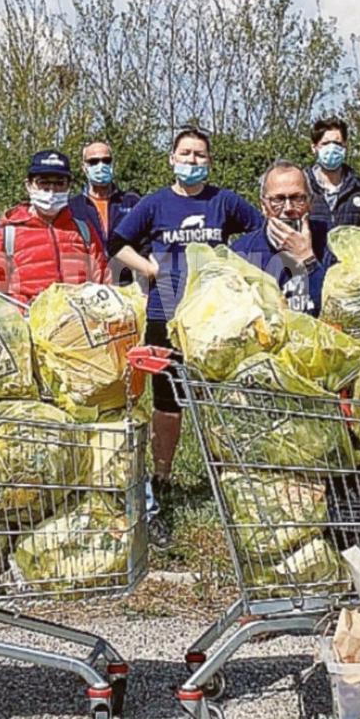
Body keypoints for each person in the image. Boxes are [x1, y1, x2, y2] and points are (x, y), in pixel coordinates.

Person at [108, 125, 265, 548]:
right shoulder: (155, 204)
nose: (192, 161)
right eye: (185, 153)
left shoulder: (224, 201)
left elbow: (259, 233)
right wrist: (148, 269)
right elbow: (116, 242)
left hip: (216, 321)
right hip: (165, 313)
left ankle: (228, 476)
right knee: (167, 401)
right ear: (171, 159)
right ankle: (163, 475)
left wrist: (237, 266)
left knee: (221, 399)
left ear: (209, 161)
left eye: (199, 155)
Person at [0, 150, 108, 304]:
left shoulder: (84, 231)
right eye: (43, 182)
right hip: (27, 323)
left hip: (78, 323)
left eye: (59, 183)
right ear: (29, 185)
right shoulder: (6, 235)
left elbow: (104, 282)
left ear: (69, 187)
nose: (51, 190)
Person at [232, 161, 326, 315]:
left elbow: (337, 309)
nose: (288, 208)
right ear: (263, 206)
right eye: (278, 199)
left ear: (310, 202)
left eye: (297, 198)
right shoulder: (241, 253)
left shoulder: (329, 243)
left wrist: (308, 260)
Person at [306, 116, 360, 265]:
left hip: (351, 277)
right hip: (311, 275)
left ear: (345, 146)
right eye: (325, 143)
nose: (331, 148)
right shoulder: (301, 188)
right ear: (314, 147)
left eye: (337, 143)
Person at [69, 140, 140, 284]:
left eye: (106, 160)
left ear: (113, 164)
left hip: (125, 286)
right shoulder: (72, 207)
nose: (100, 166)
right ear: (84, 167)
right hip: (86, 287)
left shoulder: (132, 202)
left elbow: (146, 246)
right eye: (93, 162)